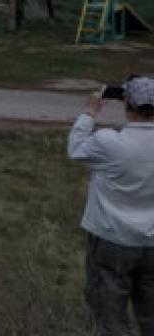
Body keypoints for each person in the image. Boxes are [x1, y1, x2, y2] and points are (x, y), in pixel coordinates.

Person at [68, 75, 154, 335]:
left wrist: (89, 112)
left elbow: (76, 148)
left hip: (110, 239)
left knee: (109, 316)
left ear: (127, 105)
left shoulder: (108, 142)